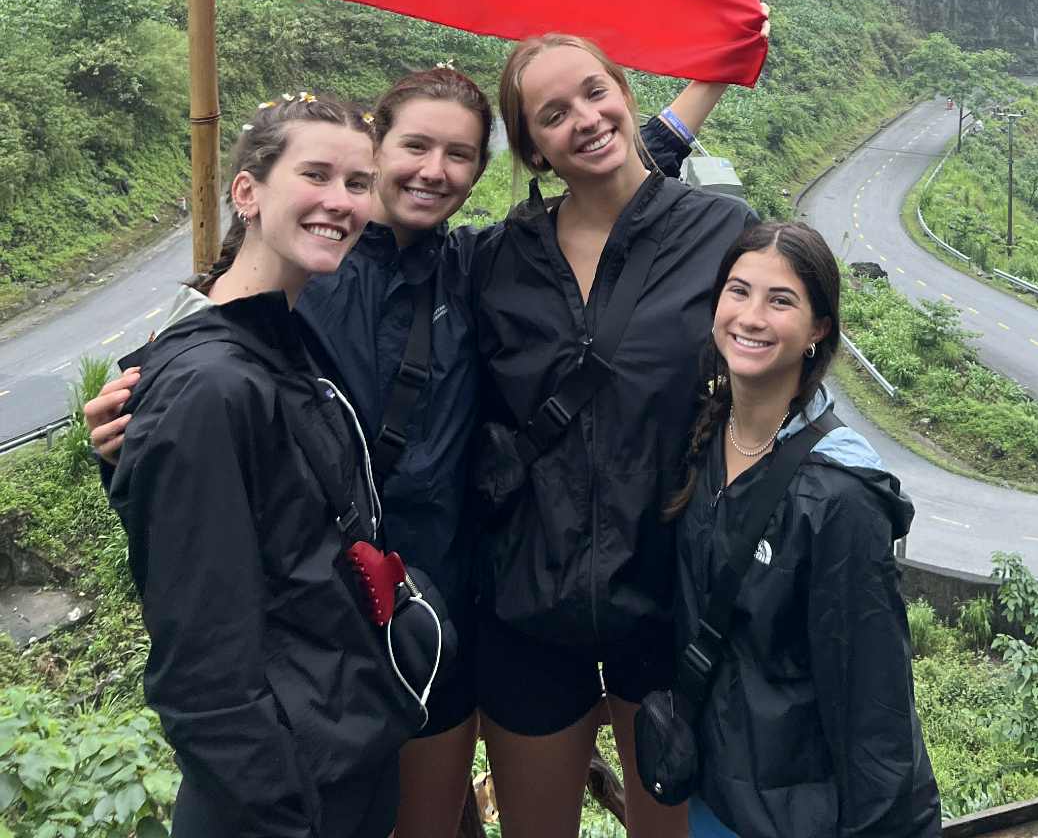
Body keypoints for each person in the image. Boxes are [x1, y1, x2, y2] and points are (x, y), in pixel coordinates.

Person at [89, 61, 731, 838]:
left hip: (434, 614)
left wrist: (707, 81)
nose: (434, 171)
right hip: (314, 626)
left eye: (459, 156)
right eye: (413, 148)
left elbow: (612, 191)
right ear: (376, 154)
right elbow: (200, 388)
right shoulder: (302, 278)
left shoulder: (469, 267)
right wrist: (130, 428)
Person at [108, 93, 448, 838]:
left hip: (339, 748)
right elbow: (201, 663)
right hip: (281, 796)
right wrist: (282, 813)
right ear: (248, 191)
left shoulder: (281, 341)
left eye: (358, 184)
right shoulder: (214, 384)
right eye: (316, 175)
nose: (341, 201)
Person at [473, 34, 758, 838]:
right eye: (553, 114)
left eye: (596, 93)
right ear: (532, 147)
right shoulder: (496, 261)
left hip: (669, 594)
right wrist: (180, 351)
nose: (585, 120)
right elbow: (365, 277)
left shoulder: (721, 233)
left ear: (626, 93)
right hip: (526, 598)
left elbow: (787, 372)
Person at [668, 221, 940, 838]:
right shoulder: (703, 439)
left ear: (818, 329)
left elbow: (874, 703)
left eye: (781, 300)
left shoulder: (838, 496)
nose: (751, 316)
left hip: (796, 816)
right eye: (738, 291)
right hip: (710, 790)